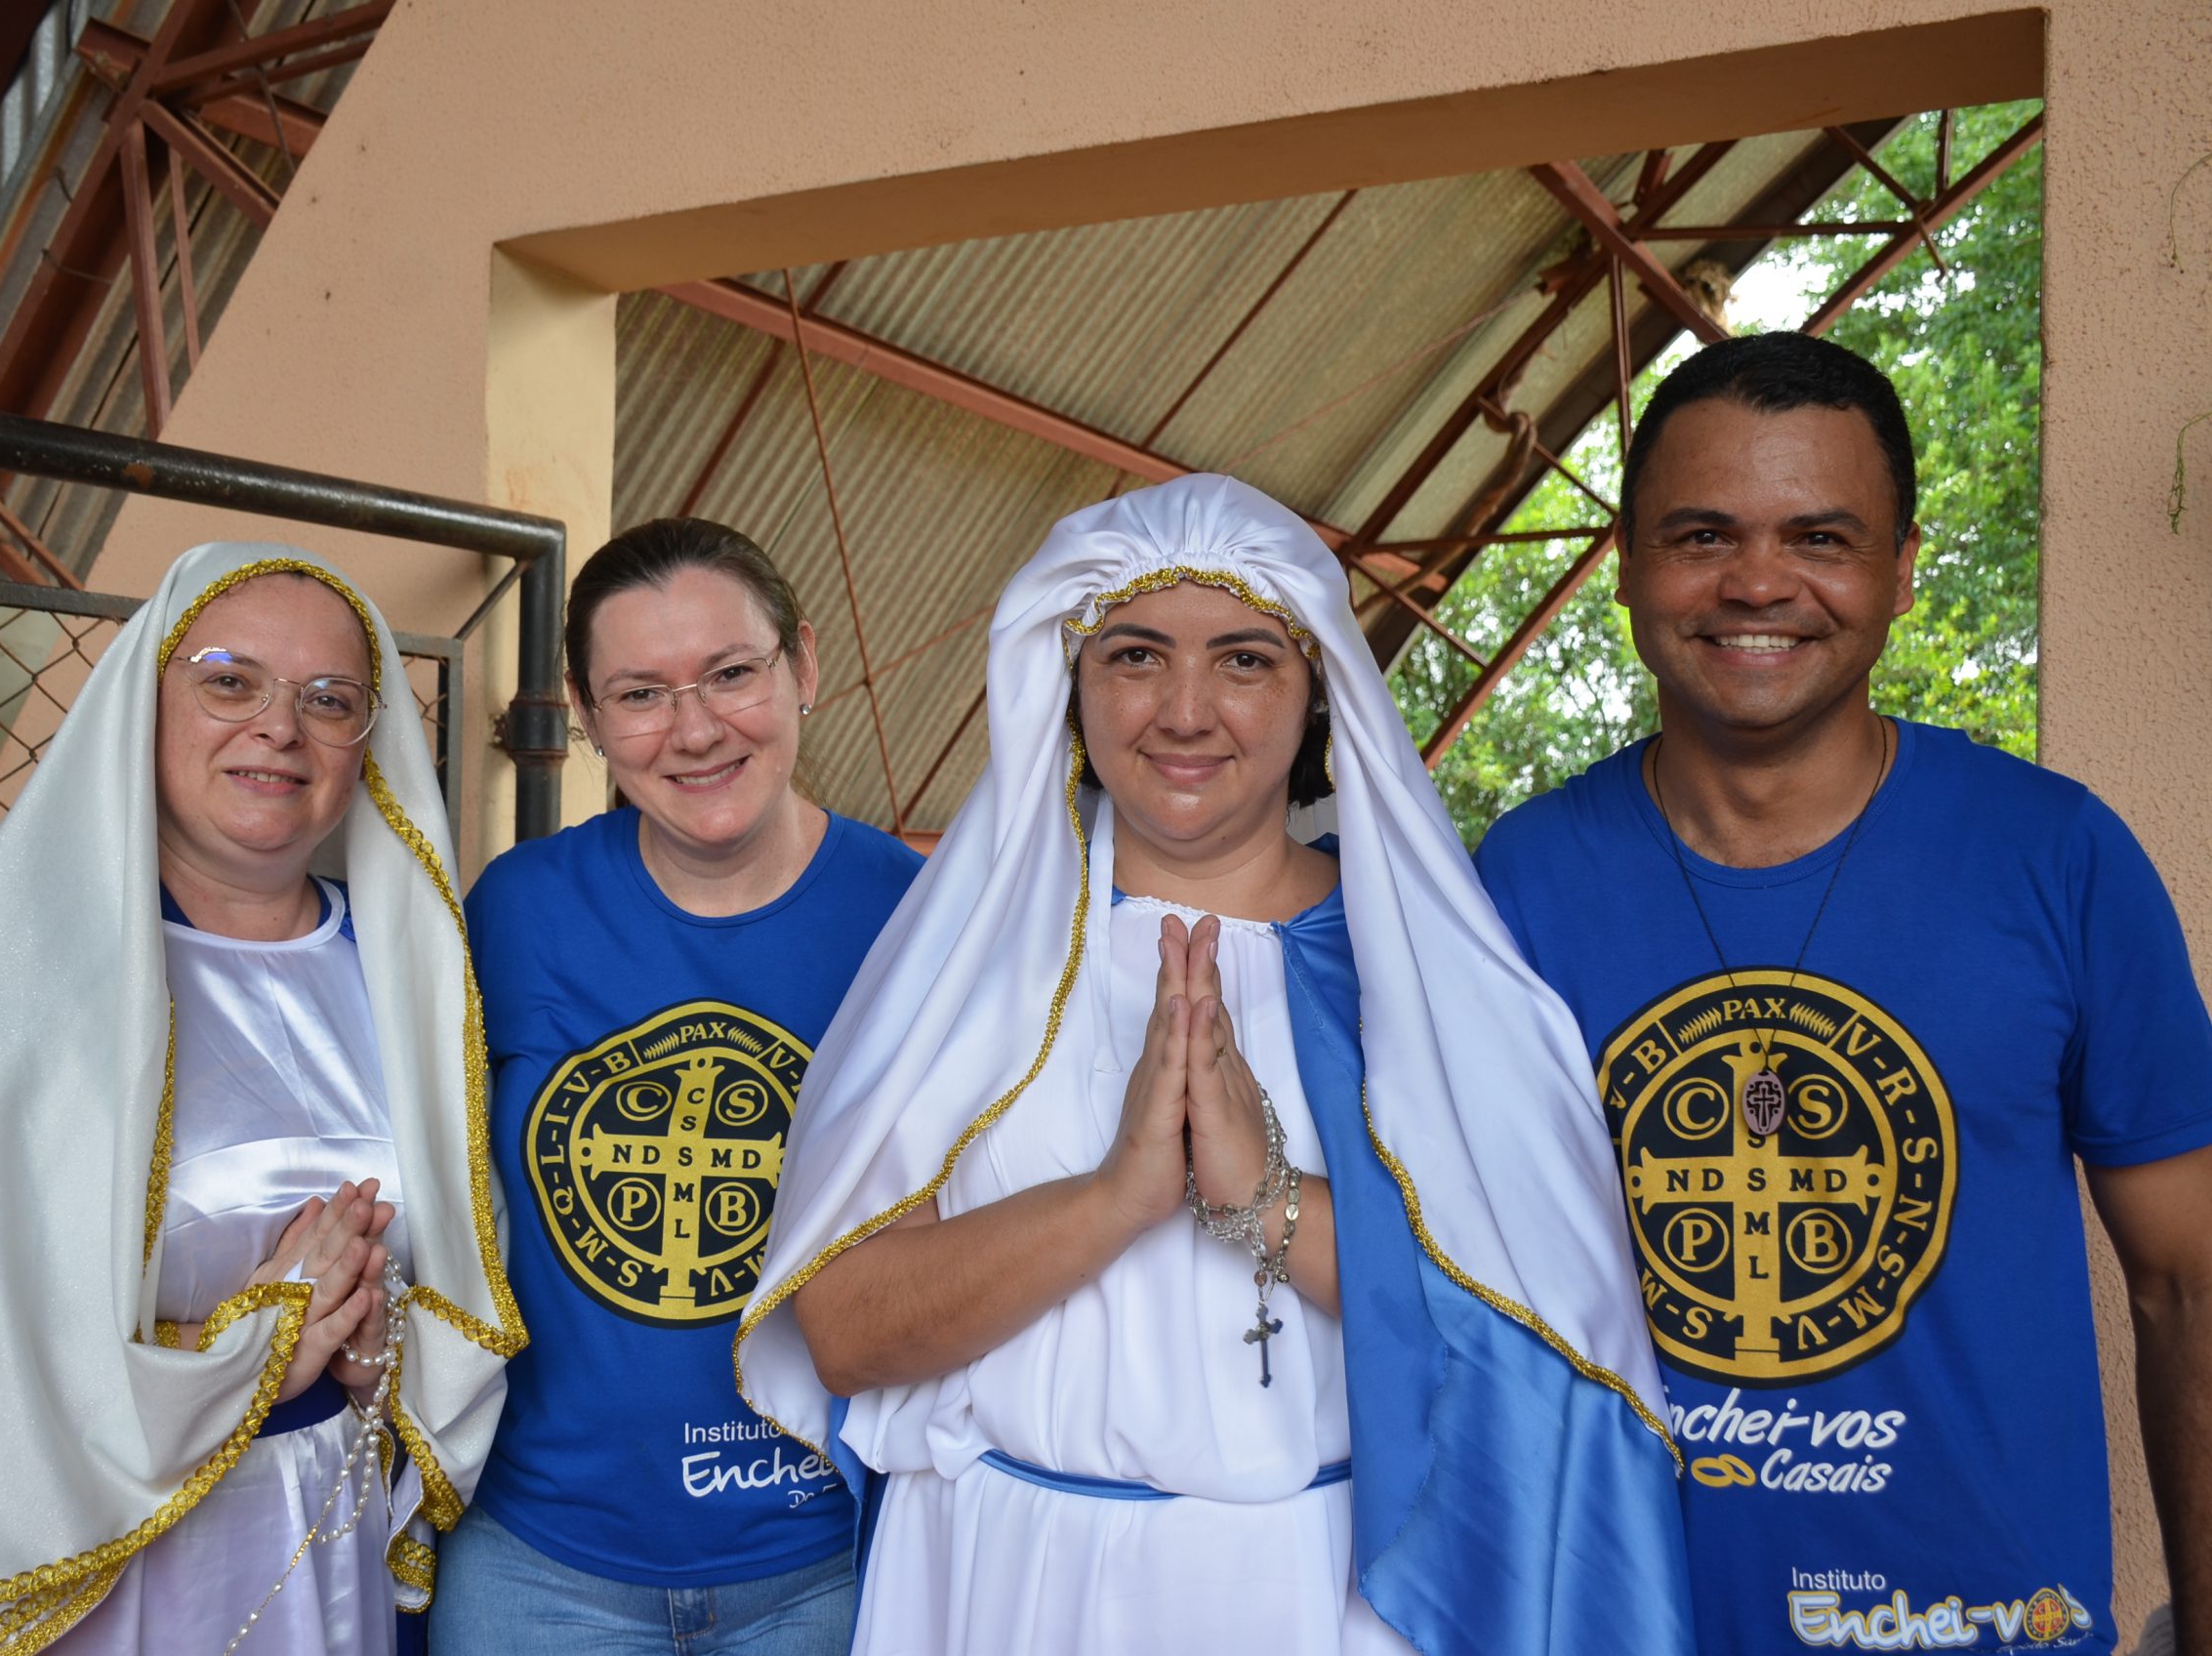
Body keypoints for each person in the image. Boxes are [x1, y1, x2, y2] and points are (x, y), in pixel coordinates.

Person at [740, 473, 1695, 1654]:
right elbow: (845, 1331)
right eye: (1135, 655)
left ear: (1318, 696)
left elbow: (1539, 1342)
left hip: (1309, 1587)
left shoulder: (1419, 970)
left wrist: (1265, 1202)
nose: (1184, 711)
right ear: (1069, 685)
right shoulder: (969, 959)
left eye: (1245, 660)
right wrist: (1113, 1200)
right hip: (996, 1580)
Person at [1474, 332, 2212, 1655]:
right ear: (1627, 567)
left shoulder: (2057, 857)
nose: (1758, 581)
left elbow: (2187, 1284)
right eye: (1702, 534)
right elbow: (1458, 1283)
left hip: (1981, 1627)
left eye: (1820, 536)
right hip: (1621, 1624)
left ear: (1903, 571)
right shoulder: (1518, 880)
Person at [0, 544, 522, 1653]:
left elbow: (445, 1283)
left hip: (314, 1544)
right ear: (143, 699)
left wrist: (372, 1352)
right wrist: (242, 1360)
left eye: (329, 700)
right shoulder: (7, 972)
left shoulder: (409, 969)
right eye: (230, 680)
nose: (279, 727)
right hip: (71, 1579)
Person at [431, 520, 921, 1654]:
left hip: (830, 1562)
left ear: (801, 665)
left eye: (731, 674)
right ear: (589, 715)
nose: (695, 730)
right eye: (641, 693)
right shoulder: (517, 911)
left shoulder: (917, 918)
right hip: (541, 1567)